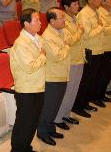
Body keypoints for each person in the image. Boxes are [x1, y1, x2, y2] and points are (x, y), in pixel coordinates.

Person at [10, 9, 46, 152]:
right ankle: (18, 149)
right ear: (26, 24)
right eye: (36, 20)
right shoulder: (21, 43)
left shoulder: (38, 38)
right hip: (26, 89)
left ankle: (26, 146)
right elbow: (30, 67)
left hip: (38, 86)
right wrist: (43, 56)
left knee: (33, 121)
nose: (40, 22)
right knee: (24, 122)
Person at [37, 8, 70, 146]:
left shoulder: (59, 31)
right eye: (61, 17)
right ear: (52, 21)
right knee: (48, 106)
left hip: (61, 74)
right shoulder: (47, 36)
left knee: (55, 105)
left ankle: (50, 128)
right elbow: (57, 56)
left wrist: (65, 46)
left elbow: (68, 42)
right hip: (52, 77)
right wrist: (67, 47)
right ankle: (42, 132)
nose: (64, 20)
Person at [54, 0, 84, 128]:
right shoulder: (62, 21)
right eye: (75, 4)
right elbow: (69, 40)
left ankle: (66, 114)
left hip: (79, 57)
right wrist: (81, 31)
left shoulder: (75, 18)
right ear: (66, 7)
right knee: (67, 90)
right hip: (69, 59)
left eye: (78, 3)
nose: (78, 6)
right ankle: (58, 118)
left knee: (74, 89)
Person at [73, 0, 104, 117]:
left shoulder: (96, 11)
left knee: (92, 79)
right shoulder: (84, 14)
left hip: (98, 49)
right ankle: (78, 106)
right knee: (85, 80)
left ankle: (85, 103)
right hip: (89, 51)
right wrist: (100, 27)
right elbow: (87, 35)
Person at [98, 0, 111, 103]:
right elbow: (105, 30)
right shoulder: (100, 13)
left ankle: (103, 93)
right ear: (102, 1)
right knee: (103, 73)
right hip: (105, 46)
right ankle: (99, 95)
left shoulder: (109, 11)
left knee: (107, 73)